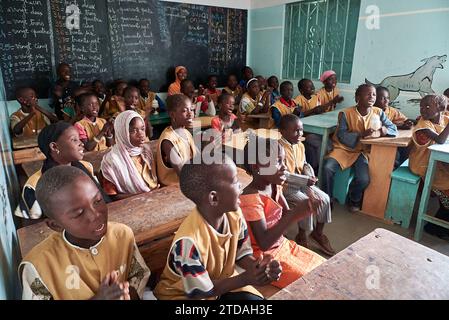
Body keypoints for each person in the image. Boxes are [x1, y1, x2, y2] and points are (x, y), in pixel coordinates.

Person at [154, 154, 282, 300]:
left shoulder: (235, 215)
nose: (240, 185)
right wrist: (245, 278)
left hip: (221, 283)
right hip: (184, 295)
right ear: (214, 198)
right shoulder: (188, 243)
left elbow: (241, 253)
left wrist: (259, 268)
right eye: (234, 181)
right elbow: (201, 292)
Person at [19, 166, 150, 300]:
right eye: (79, 213)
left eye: (98, 201)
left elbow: (138, 275)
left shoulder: (122, 234)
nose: (95, 215)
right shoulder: (38, 265)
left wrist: (126, 292)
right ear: (55, 225)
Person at [239, 137, 325, 288]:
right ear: (257, 166)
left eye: (283, 161)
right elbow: (264, 243)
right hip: (264, 258)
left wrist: (306, 207)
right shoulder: (250, 199)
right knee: (313, 283)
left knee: (323, 267)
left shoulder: (273, 185)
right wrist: (295, 214)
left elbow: (286, 213)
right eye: (278, 162)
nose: (284, 167)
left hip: (283, 245)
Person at [14, 121, 108, 224]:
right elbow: (30, 228)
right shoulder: (34, 186)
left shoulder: (86, 167)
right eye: (74, 140)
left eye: (79, 139)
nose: (81, 143)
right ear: (54, 147)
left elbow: (100, 200)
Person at [322, 84, 398, 212]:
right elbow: (341, 135)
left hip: (362, 151)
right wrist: (360, 134)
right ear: (358, 97)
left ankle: (354, 198)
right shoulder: (346, 113)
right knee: (327, 167)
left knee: (364, 179)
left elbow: (393, 128)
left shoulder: (378, 112)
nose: (372, 97)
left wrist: (382, 131)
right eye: (368, 94)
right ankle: (327, 198)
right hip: (343, 149)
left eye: (374, 94)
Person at [279, 114, 335, 255]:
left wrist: (309, 173)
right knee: (307, 203)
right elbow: (282, 175)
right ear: (283, 131)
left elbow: (304, 164)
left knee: (325, 199)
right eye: (295, 131)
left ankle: (317, 233)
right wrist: (305, 180)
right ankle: (302, 235)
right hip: (286, 187)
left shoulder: (300, 146)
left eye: (301, 130)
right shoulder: (278, 148)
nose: (300, 134)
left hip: (303, 183)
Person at [409, 94, 449, 238]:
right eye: (421, 106)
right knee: (446, 190)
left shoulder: (444, 118)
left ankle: (438, 225)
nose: (423, 110)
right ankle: (434, 227)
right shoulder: (423, 125)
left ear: (440, 108)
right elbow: (440, 139)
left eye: (427, 106)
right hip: (424, 166)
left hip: (438, 165)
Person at [101, 110, 159, 201]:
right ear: (123, 133)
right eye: (133, 131)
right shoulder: (112, 161)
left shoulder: (146, 151)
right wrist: (143, 195)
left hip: (155, 197)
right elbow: (112, 196)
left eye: (142, 129)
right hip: (131, 205)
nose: (141, 134)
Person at [156, 94, 197, 186]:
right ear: (172, 114)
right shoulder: (167, 140)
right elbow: (182, 173)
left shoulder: (186, 133)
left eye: (191, 109)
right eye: (184, 111)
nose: (190, 114)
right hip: (173, 187)